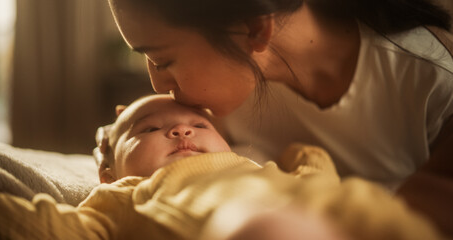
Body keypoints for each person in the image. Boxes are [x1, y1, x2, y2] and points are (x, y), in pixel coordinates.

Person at [106, 0, 453, 236]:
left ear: (254, 29)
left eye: (163, 60)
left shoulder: (434, 80)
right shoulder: (221, 94)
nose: (158, 85)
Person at [0, 94, 445, 239]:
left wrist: (304, 158)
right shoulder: (123, 196)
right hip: (252, 227)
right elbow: (55, 227)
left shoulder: (259, 166)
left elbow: (316, 172)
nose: (181, 132)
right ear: (109, 171)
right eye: (149, 130)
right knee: (266, 227)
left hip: (353, 211)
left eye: (197, 124)